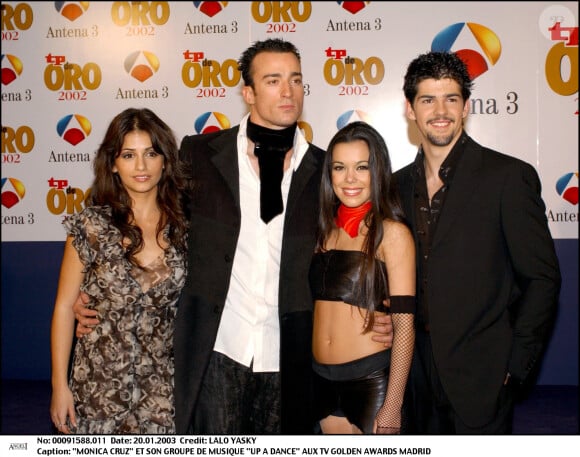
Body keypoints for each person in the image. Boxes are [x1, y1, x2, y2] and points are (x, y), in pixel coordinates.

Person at [73, 39, 394, 434]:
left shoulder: (326, 169)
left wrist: (384, 306)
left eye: (295, 79)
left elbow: (363, 242)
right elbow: (140, 211)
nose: (287, 90)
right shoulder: (200, 154)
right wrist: (94, 289)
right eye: (273, 80)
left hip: (288, 356)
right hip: (218, 349)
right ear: (248, 93)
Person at [394, 51, 561, 434]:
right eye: (427, 100)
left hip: (482, 378)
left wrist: (515, 363)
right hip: (412, 381)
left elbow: (542, 279)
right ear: (410, 109)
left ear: (466, 106)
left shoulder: (508, 178)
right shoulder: (395, 185)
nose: (440, 111)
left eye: (451, 99)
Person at [50, 108, 190, 434]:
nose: (141, 166)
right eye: (129, 155)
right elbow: (63, 308)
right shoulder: (90, 227)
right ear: (113, 163)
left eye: (151, 154)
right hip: (97, 389)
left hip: (164, 394)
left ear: (166, 161)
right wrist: (60, 386)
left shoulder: (188, 229)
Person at [309, 121, 416, 435]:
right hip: (320, 379)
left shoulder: (392, 234)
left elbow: (404, 324)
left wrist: (393, 403)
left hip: (370, 380)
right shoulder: (321, 233)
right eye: (340, 167)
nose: (349, 178)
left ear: (378, 172)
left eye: (362, 167)